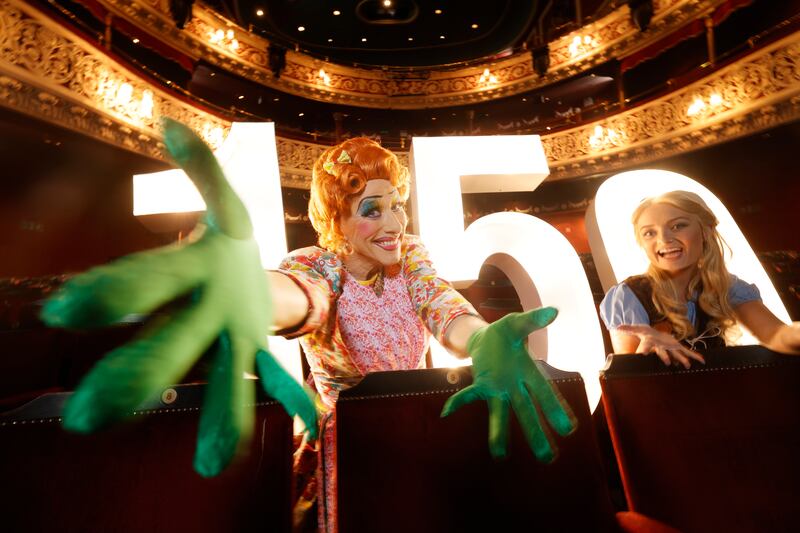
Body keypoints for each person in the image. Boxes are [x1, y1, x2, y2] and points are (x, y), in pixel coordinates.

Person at [41, 120, 576, 533]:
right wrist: (252, 291)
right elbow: (301, 298)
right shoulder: (318, 266)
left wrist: (480, 336)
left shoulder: (410, 255)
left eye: (396, 207)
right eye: (371, 209)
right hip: (346, 446)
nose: (392, 224)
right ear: (336, 218)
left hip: (419, 427)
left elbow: (440, 303)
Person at [600, 190, 800, 368]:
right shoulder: (628, 296)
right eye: (650, 233)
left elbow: (776, 334)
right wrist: (645, 349)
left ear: (705, 231)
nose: (664, 239)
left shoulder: (728, 286)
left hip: (717, 398)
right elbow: (628, 386)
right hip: (662, 405)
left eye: (678, 226)